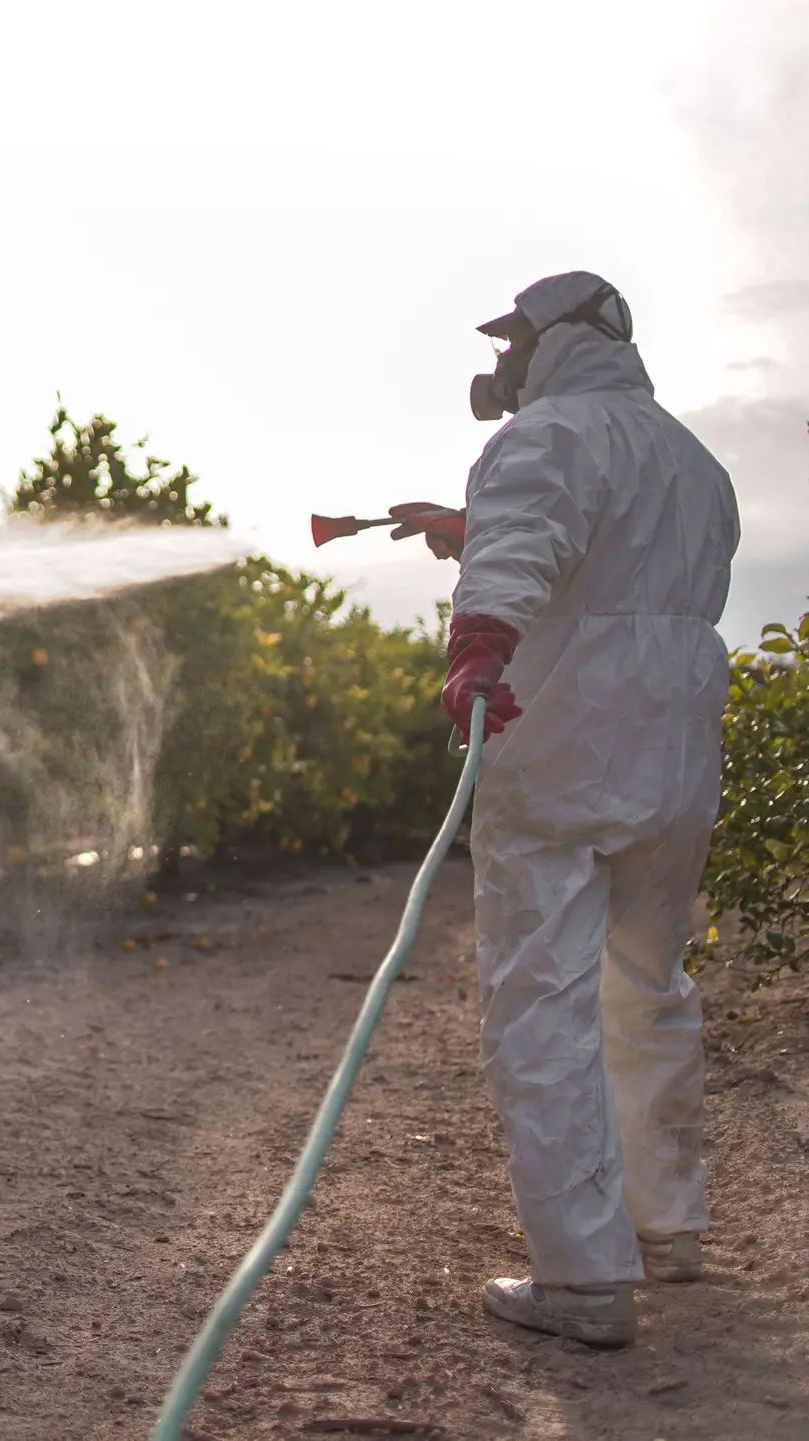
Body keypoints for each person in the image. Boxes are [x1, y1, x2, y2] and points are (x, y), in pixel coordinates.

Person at [391, 271, 739, 1347]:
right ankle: (664, 1223)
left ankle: (585, 1278)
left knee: (541, 997)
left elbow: (526, 550)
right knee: (647, 983)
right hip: (674, 755)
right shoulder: (692, 458)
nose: (502, 362)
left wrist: (474, 648)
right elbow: (612, 563)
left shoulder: (543, 435)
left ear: (568, 339)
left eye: (514, 342)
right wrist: (472, 526)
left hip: (565, 749)